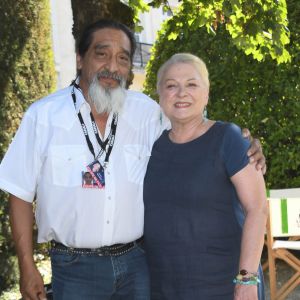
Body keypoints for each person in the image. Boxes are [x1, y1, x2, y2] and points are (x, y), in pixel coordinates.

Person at [0, 20, 265, 300]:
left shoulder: (147, 112)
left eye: (123, 58)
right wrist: (27, 265)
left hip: (137, 264)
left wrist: (247, 144)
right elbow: (19, 193)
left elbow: (194, 127)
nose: (112, 67)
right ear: (80, 58)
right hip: (75, 268)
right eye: (102, 54)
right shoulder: (43, 116)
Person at [143, 53, 268, 300]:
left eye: (191, 84)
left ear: (207, 93)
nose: (181, 93)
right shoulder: (151, 147)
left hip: (225, 285)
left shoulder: (228, 138)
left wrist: (246, 279)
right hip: (165, 286)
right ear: (160, 95)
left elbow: (257, 208)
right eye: (171, 85)